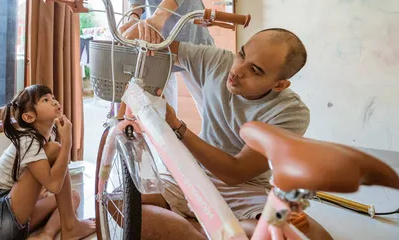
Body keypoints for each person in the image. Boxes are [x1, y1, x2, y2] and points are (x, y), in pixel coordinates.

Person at [140, 29, 333, 240]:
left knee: (309, 236)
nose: (238, 70)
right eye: (242, 54)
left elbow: (236, 172)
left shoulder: (290, 113)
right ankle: (211, 230)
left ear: (279, 85)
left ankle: (198, 227)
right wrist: (142, 29)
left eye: (256, 70)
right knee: (122, 202)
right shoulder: (219, 61)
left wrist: (178, 126)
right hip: (191, 172)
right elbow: (163, 46)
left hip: (245, 188)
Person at [0, 85, 95, 240]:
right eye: (45, 100)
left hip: (9, 222)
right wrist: (67, 143)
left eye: (53, 97)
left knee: (73, 197)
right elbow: (54, 185)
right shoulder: (28, 140)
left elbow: (53, 184)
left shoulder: (43, 138)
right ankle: (70, 226)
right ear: (29, 117)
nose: (54, 101)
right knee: (55, 149)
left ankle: (47, 234)